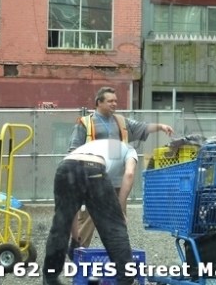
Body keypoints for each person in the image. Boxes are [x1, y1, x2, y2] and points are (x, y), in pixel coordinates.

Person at [68, 86, 174, 250]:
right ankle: (77, 254)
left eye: (115, 101)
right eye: (110, 101)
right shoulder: (85, 123)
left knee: (117, 223)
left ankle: (119, 257)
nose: (114, 104)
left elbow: (142, 127)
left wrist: (160, 126)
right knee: (87, 221)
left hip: (117, 183)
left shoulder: (121, 121)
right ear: (99, 102)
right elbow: (74, 150)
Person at [43, 139, 137, 285]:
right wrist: (119, 210)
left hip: (66, 167)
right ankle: (126, 278)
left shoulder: (94, 145)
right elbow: (129, 174)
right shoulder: (129, 149)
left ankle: (50, 279)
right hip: (94, 168)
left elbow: (72, 212)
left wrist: (76, 239)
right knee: (114, 228)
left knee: (60, 225)